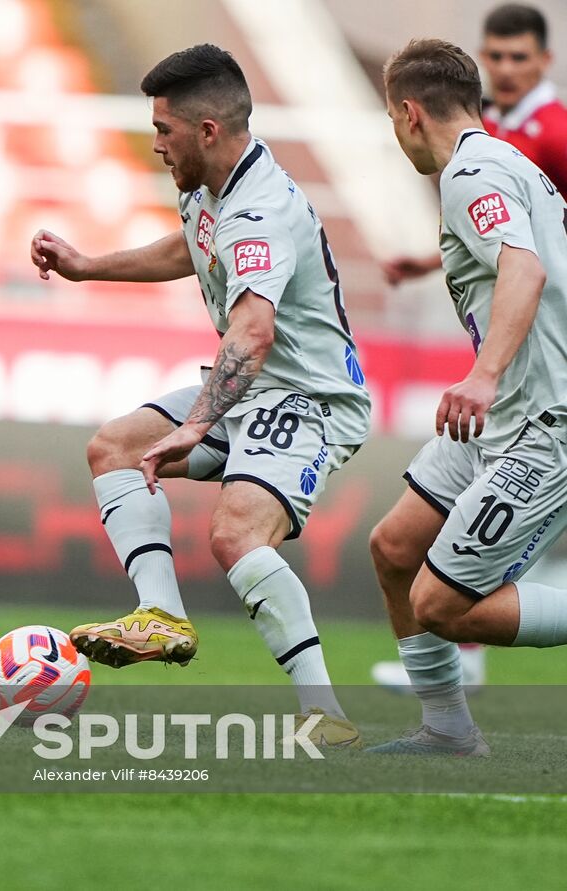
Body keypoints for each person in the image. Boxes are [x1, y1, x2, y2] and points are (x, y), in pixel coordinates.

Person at [30, 44, 371, 747]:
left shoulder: (260, 209)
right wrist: (88, 266)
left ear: (207, 130)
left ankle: (325, 715)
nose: (156, 144)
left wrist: (198, 422)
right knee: (114, 447)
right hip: (253, 384)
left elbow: (253, 330)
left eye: (164, 130)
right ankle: (160, 615)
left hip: (308, 396)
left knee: (234, 533)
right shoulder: (209, 185)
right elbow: (190, 246)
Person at [368, 37, 567, 755]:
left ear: (410, 113)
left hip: (544, 421)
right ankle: (447, 729)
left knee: (440, 603)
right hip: (504, 416)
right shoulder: (508, 163)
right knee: (394, 548)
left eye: (393, 121)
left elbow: (524, 269)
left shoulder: (468, 174)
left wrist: (481, 374)